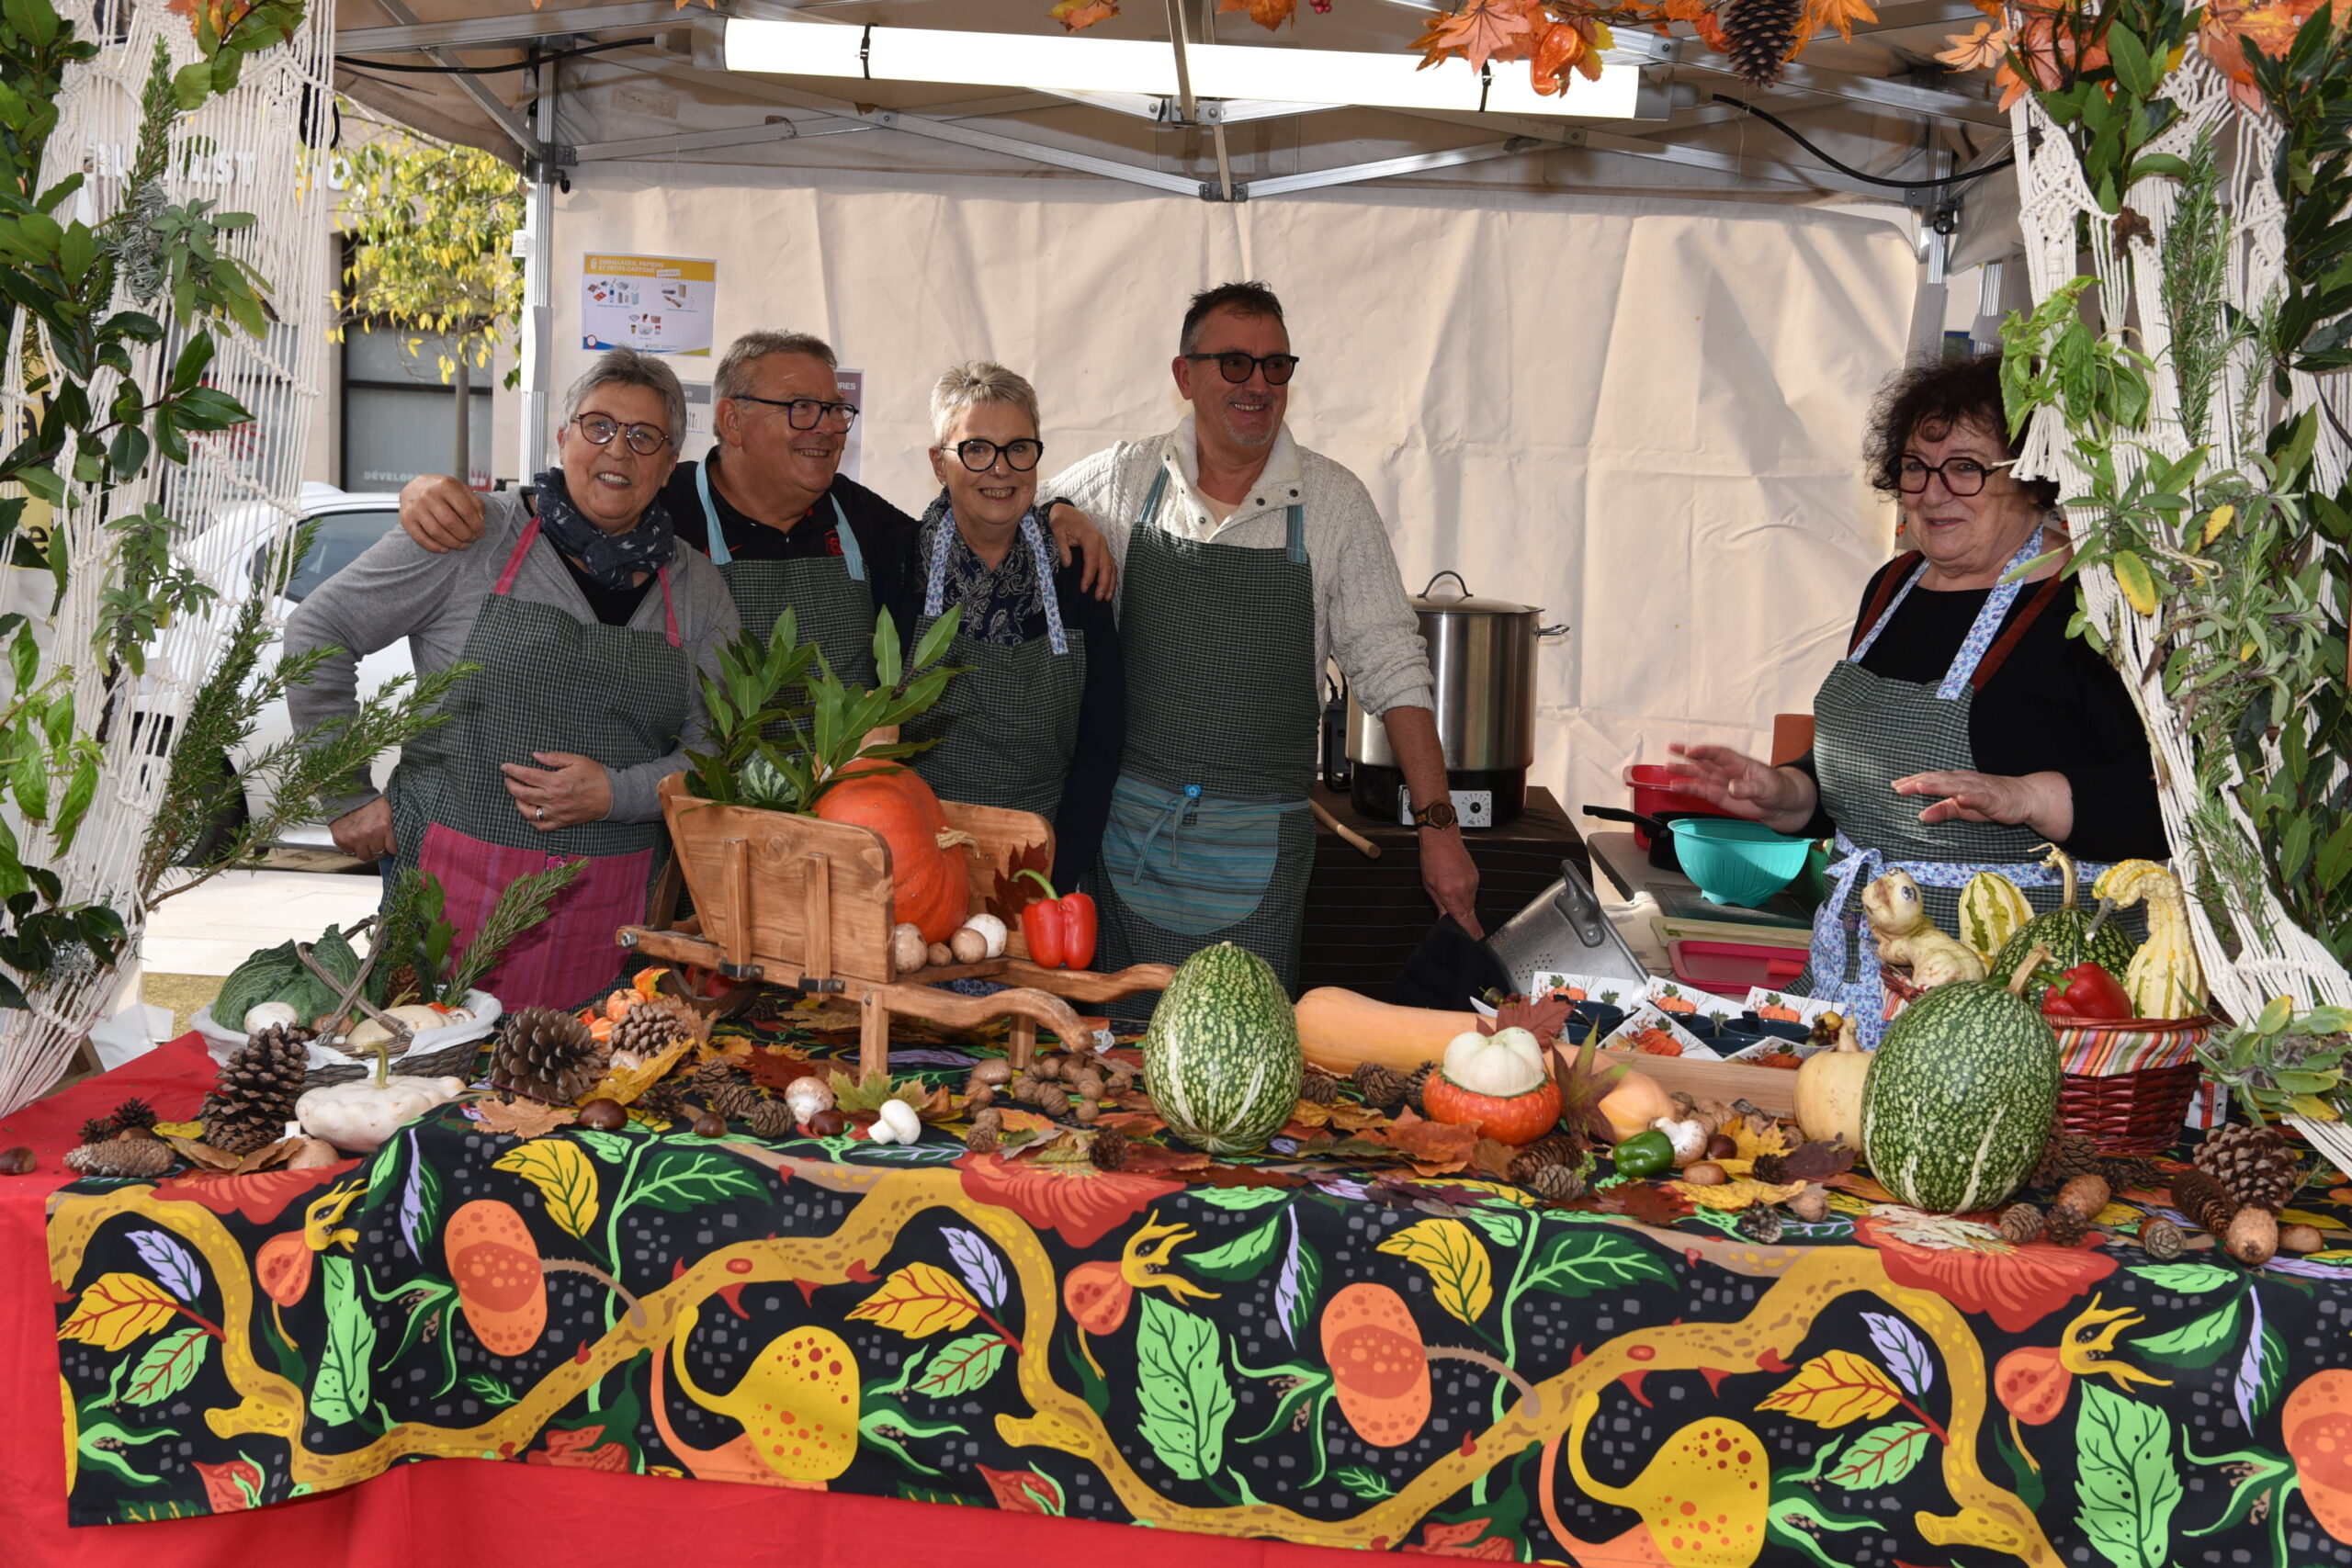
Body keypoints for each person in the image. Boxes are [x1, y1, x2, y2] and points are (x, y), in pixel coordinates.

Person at [1665, 352, 2167, 1042]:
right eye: (1915, 467)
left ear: (2033, 477)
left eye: (1965, 467)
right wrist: (1791, 794)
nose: (1932, 493)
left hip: (2013, 1000)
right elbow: (1880, 779)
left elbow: (2164, 807)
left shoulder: (2092, 603)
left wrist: (2028, 797)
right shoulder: (1893, 588)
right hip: (1861, 969)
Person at [1046, 281, 1479, 997]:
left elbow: (1394, 668)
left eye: (1275, 365)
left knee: (1250, 1050)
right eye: (1235, 363)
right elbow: (1005, 501)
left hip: (1262, 857)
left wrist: (1440, 826)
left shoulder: (1334, 503)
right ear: (1185, 376)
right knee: (1121, 1051)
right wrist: (1058, 510)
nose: (1258, 384)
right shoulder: (1126, 478)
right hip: (1130, 843)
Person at [286, 349, 741, 1009]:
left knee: (599, 1065)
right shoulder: (471, 534)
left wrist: (616, 794)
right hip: (446, 890)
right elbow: (316, 632)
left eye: (646, 436)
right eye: (598, 426)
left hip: (615, 906)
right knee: (430, 1056)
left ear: (670, 464)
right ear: (562, 437)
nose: (619, 450)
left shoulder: (698, 588)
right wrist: (343, 793)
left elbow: (717, 756)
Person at [395, 331, 1117, 682]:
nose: (828, 428)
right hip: (686, 813)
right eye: (802, 408)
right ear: (732, 421)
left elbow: (973, 515)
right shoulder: (658, 505)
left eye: (835, 409)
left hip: (836, 824)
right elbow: (563, 503)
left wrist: (1052, 512)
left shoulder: (866, 525)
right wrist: (431, 491)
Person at [880, 362, 1124, 889]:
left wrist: (1061, 865)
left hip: (1044, 856)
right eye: (976, 449)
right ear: (939, 463)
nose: (1001, 469)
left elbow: (1102, 735)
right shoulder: (895, 565)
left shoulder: (1074, 570)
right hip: (919, 854)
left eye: (1018, 448)